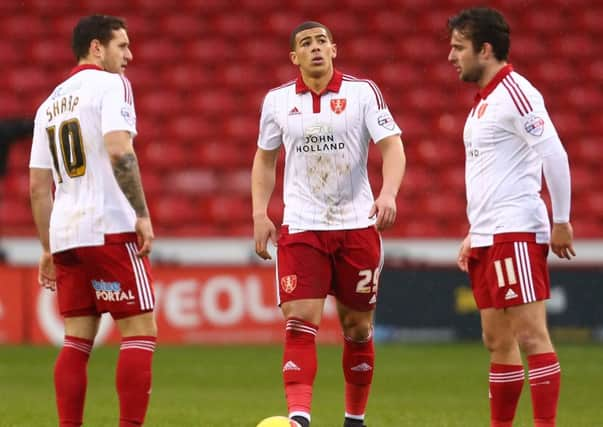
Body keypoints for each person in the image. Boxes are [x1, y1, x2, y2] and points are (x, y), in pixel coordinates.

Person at [252, 21, 406, 427]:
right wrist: (259, 211)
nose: (316, 47)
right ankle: (299, 418)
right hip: (302, 226)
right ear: (294, 57)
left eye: (322, 41)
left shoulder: (362, 93)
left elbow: (393, 147)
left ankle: (354, 420)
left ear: (334, 49)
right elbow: (264, 159)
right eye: (306, 43)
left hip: (357, 224)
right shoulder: (277, 102)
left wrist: (388, 192)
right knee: (300, 319)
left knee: (357, 327)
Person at [448, 8, 575, 427]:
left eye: (458, 48)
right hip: (489, 234)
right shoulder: (482, 104)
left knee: (530, 335)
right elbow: (490, 174)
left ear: (485, 50)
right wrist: (474, 232)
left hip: (516, 230)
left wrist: (562, 219)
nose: (451, 57)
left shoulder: (517, 93)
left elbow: (553, 153)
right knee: (495, 341)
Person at [29, 15, 157, 427]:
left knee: (76, 341)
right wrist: (141, 213)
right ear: (97, 48)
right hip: (109, 224)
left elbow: (36, 186)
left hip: (66, 232)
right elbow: (120, 151)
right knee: (140, 332)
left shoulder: (48, 105)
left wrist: (48, 247)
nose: (130, 56)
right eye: (123, 46)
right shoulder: (111, 85)